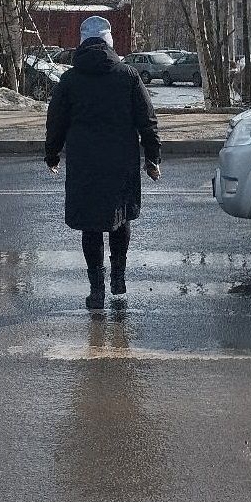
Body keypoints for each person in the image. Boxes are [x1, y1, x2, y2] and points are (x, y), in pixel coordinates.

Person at [45, 16, 162, 310]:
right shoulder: (129, 76)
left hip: (85, 164)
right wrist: (153, 158)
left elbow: (55, 122)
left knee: (91, 226)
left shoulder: (70, 80)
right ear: (110, 42)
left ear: (82, 43)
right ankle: (118, 277)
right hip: (120, 162)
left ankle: (96, 289)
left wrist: (52, 154)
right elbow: (147, 121)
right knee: (119, 219)